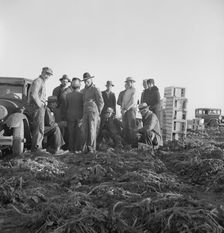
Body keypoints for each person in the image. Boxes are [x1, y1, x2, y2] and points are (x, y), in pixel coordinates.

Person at [28, 67, 53, 152]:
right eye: (46, 73)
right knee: (39, 127)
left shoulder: (42, 82)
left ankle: (38, 147)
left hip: (38, 107)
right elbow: (34, 95)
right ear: (42, 72)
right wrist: (40, 106)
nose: (47, 76)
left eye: (49, 74)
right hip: (37, 107)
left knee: (40, 127)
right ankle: (36, 148)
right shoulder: (38, 81)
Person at [82, 72, 104, 154]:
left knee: (92, 129)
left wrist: (97, 112)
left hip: (93, 112)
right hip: (85, 112)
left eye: (87, 80)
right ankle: (85, 148)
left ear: (91, 79)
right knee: (85, 130)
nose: (86, 82)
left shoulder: (95, 89)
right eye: (84, 80)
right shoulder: (83, 91)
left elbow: (101, 102)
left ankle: (91, 149)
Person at [64, 78, 83, 152]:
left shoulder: (68, 95)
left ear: (72, 86)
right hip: (79, 117)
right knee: (78, 134)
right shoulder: (82, 95)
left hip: (70, 116)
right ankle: (77, 149)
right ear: (79, 86)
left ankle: (71, 150)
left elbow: (66, 106)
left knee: (71, 134)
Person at [121, 77, 138, 147]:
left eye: (128, 82)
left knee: (132, 127)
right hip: (125, 110)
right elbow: (123, 101)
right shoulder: (127, 91)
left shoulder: (134, 90)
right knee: (126, 126)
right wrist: (122, 108)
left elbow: (132, 102)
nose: (127, 83)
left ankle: (133, 144)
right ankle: (127, 143)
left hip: (131, 110)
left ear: (131, 82)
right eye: (126, 82)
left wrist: (126, 109)